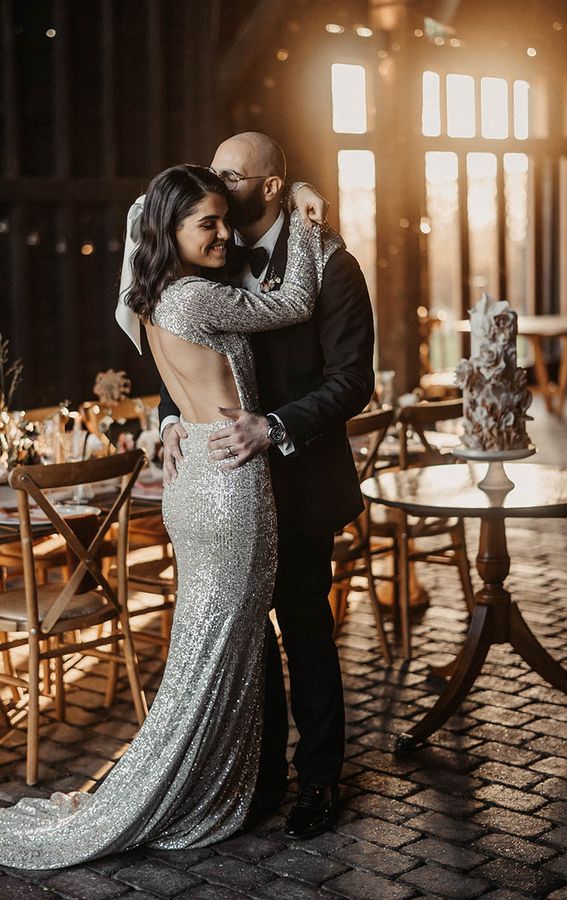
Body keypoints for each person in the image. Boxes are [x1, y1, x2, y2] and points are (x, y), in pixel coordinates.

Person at [0, 164, 343, 869]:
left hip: (198, 485)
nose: (221, 233)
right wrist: (310, 216)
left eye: (224, 218)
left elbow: (187, 383)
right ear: (171, 231)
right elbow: (296, 302)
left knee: (213, 650)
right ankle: (192, 789)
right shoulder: (195, 298)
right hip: (230, 488)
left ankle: (229, 783)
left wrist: (172, 420)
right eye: (206, 223)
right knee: (219, 650)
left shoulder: (153, 297)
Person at [160, 132, 375, 839]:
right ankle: (261, 779)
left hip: (300, 478)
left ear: (272, 187)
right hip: (229, 490)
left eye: (230, 175)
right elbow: (192, 351)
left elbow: (353, 383)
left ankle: (318, 781)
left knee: (306, 633)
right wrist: (168, 418)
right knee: (247, 642)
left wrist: (273, 424)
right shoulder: (210, 255)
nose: (215, 186)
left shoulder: (333, 263)